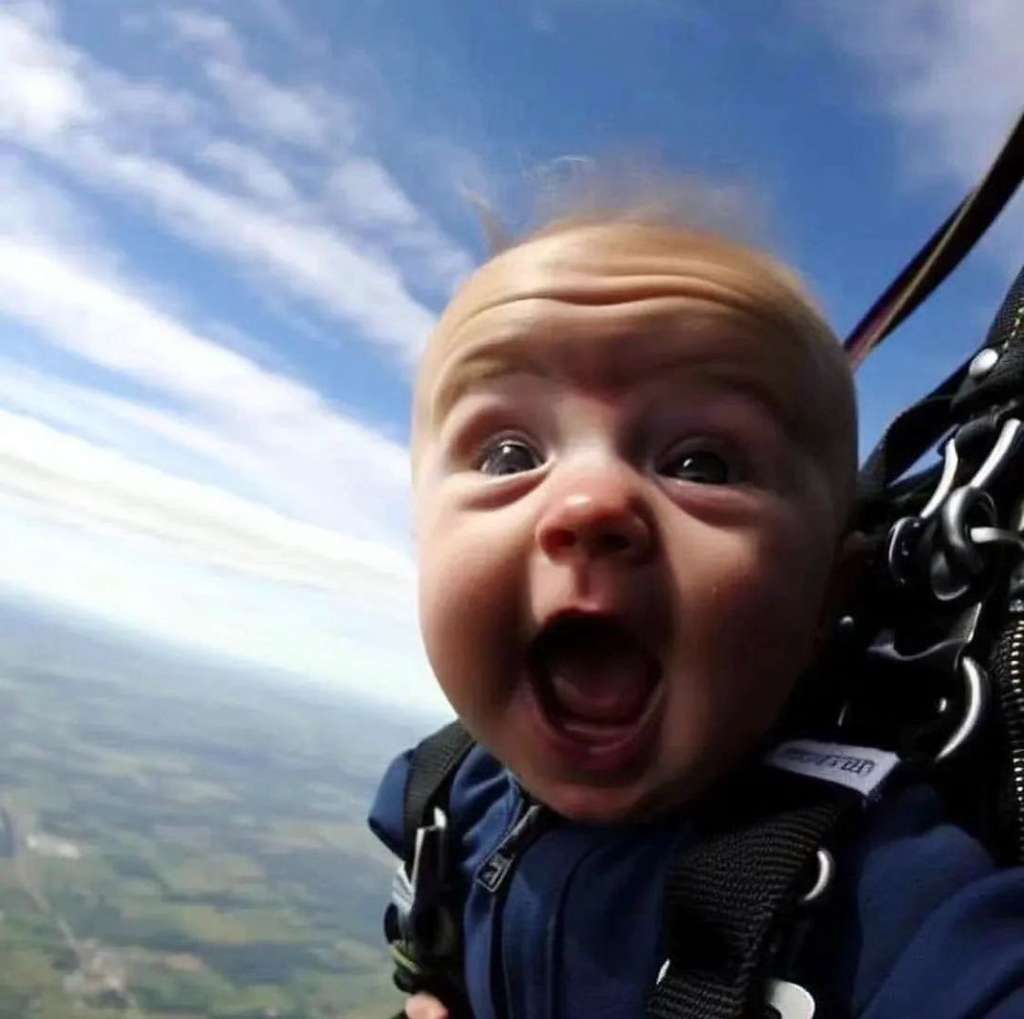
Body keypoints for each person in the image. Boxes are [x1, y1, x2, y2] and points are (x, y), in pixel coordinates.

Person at [369, 202, 1024, 1018]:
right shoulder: (439, 797)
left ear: (828, 597)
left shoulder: (884, 908)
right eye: (510, 454)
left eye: (702, 463)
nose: (590, 501)